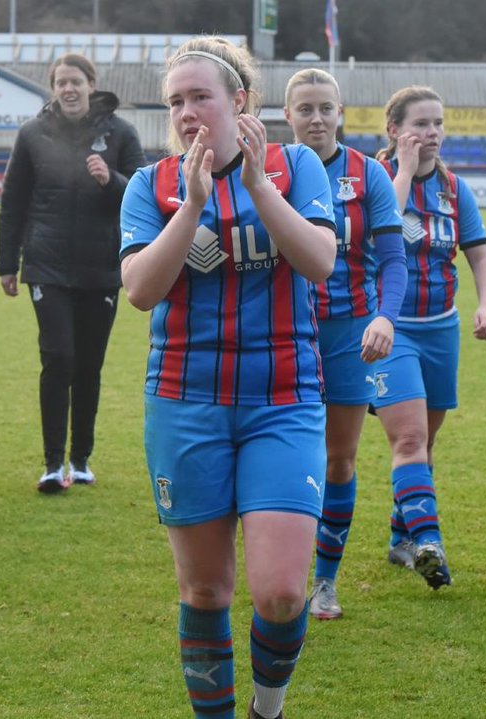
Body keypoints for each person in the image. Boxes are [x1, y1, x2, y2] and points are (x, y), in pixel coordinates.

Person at [119, 37, 336, 719]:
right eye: (175, 101)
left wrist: (258, 188)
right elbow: (141, 291)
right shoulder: (148, 186)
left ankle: (266, 710)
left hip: (283, 400)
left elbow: (320, 261)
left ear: (238, 101)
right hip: (186, 403)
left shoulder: (296, 165)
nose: (186, 112)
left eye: (200, 96)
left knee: (279, 591)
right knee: (206, 591)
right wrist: (190, 206)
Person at [282, 68, 406, 620]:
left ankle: (324, 581)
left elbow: (395, 259)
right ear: (286, 116)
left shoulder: (369, 175)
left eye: (325, 108)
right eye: (304, 108)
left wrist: (385, 316)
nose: (315, 118)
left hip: (349, 336)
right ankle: (277, 565)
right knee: (281, 458)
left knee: (339, 459)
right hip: (279, 332)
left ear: (341, 114)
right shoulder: (269, 170)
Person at [0, 52, 145, 492]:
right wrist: (8, 262)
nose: (68, 89)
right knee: (58, 358)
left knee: (88, 366)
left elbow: (143, 193)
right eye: (61, 82)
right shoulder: (32, 134)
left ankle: (81, 460)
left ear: (91, 84)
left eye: (76, 81)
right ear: (53, 87)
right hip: (47, 266)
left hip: (101, 267)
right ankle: (50, 463)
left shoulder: (120, 132)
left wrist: (111, 181)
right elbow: (13, 201)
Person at [372, 86, 486, 589]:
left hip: (441, 328)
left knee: (424, 445)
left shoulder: (454, 189)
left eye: (438, 124)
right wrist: (403, 172)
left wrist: (485, 304)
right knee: (408, 438)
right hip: (388, 328)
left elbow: (481, 255)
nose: (431, 134)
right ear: (394, 130)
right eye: (420, 124)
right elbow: (376, 232)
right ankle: (430, 542)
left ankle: (401, 538)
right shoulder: (376, 179)